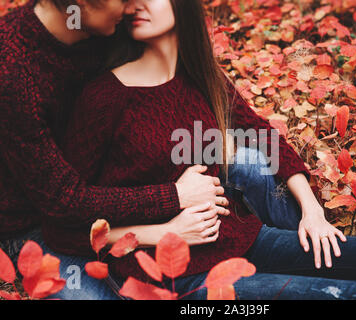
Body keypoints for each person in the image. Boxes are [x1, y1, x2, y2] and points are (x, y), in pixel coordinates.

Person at [42, 0, 356, 299]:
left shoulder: (203, 79)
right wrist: (163, 233)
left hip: (239, 238)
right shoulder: (104, 97)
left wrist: (312, 213)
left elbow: (266, 138)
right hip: (173, 278)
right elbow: (67, 222)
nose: (136, 5)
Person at [0, 0, 229, 299]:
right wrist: (175, 197)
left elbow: (188, 77)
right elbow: (63, 202)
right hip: (37, 224)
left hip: (121, 182)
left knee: (249, 163)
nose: (133, 6)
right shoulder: (12, 68)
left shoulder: (106, 22)